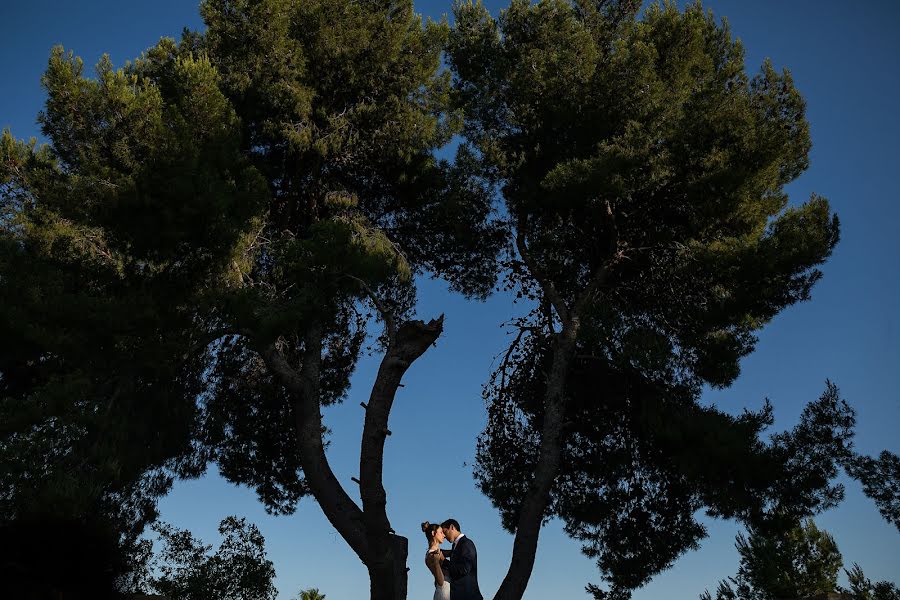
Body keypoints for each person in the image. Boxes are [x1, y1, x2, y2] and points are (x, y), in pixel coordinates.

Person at [440, 518, 483, 600]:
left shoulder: (466, 543)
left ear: (452, 527)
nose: (444, 536)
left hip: (468, 596)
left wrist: (444, 561)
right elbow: (455, 554)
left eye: (445, 532)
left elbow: (464, 569)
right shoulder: (456, 546)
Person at [422, 521, 450, 600]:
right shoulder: (432, 555)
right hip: (444, 594)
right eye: (441, 532)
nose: (444, 535)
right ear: (433, 533)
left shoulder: (438, 552)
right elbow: (440, 581)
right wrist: (436, 562)